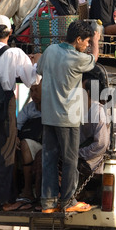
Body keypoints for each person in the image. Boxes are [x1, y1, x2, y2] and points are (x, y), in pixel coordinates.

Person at [0, 15, 40, 209]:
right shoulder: (15, 53)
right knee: (6, 150)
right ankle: (6, 201)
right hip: (5, 102)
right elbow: (32, 81)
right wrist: (36, 62)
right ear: (10, 32)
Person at [37, 20, 99, 213]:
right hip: (68, 118)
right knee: (70, 160)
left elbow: (39, 70)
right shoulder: (77, 58)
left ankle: (47, 203)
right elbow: (94, 59)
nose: (87, 45)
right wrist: (96, 40)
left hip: (48, 116)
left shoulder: (50, 50)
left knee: (49, 158)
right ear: (78, 39)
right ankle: (68, 201)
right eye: (86, 41)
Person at [4, 82, 43, 211]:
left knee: (25, 144)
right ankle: (13, 191)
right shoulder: (29, 108)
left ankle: (28, 190)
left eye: (36, 90)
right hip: (29, 142)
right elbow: (17, 124)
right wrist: (15, 138)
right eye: (31, 91)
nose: (33, 94)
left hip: (44, 145)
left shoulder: (51, 107)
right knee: (12, 148)